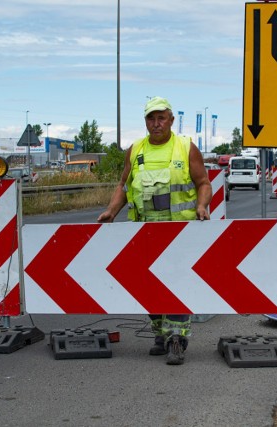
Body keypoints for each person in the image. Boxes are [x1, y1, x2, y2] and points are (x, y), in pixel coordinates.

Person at [97, 96, 212, 365]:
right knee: (147, 285)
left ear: (171, 120)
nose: (156, 123)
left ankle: (176, 340)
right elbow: (124, 186)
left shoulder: (186, 148)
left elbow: (203, 183)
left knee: (175, 285)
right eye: (151, 118)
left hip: (178, 232)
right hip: (143, 232)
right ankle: (161, 334)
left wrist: (202, 206)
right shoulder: (136, 150)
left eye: (161, 118)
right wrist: (111, 211)